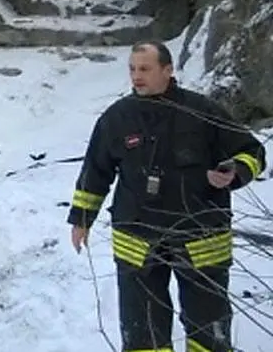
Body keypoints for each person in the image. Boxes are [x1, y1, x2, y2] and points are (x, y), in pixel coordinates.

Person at [67, 41, 265, 352]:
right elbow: (96, 170)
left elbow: (252, 151)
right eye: (132, 69)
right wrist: (81, 219)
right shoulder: (117, 117)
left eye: (144, 69)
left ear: (168, 70)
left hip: (200, 237)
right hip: (137, 238)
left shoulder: (202, 111)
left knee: (208, 326)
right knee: (142, 327)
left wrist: (234, 170)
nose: (136, 76)